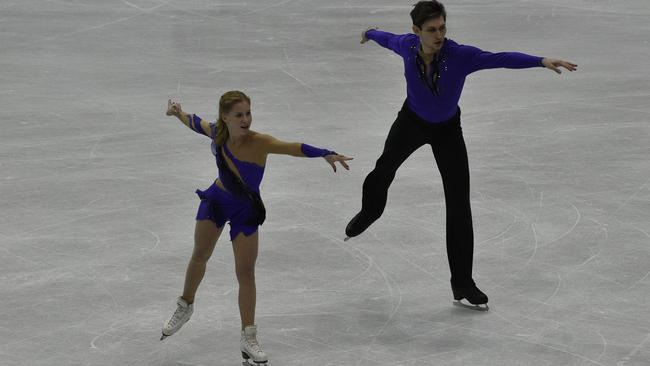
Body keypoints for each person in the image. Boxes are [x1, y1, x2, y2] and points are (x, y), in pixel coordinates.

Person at [345, 0, 577, 310]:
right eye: (432, 30)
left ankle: (463, 283)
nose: (439, 34)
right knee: (383, 170)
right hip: (411, 122)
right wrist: (369, 32)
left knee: (458, 202)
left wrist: (540, 60)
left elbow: (500, 58)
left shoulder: (459, 55)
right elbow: (384, 37)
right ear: (417, 31)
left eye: (442, 28)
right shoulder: (407, 44)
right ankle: (370, 211)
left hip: (447, 131)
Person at [161, 91, 352, 364]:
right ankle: (185, 305)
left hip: (246, 211)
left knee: (246, 272)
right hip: (216, 201)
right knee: (200, 255)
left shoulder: (260, 142)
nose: (246, 119)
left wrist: (325, 153)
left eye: (248, 113)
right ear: (225, 117)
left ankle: (248, 336)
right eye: (239, 114)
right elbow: (195, 122)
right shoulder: (217, 133)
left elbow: (293, 147)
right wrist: (177, 112)